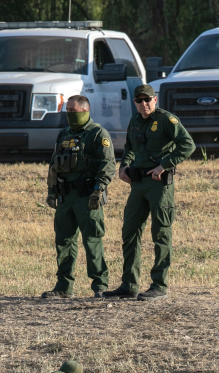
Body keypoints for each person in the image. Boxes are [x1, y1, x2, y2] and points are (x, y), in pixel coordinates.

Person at [104, 84, 195, 301]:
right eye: (139, 101)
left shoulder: (166, 120)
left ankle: (159, 284)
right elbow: (129, 148)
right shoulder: (135, 121)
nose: (144, 105)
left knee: (160, 233)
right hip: (138, 183)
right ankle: (129, 284)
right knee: (130, 232)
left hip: (159, 184)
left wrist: (165, 164)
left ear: (155, 100)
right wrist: (124, 166)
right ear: (134, 102)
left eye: (148, 100)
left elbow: (187, 145)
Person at [42, 95, 115, 298]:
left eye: (73, 112)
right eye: (68, 111)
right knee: (64, 241)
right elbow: (54, 165)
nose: (70, 116)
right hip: (66, 197)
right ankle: (63, 287)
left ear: (85, 111)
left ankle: (100, 285)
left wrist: (99, 190)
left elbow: (108, 165)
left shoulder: (97, 134)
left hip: (88, 196)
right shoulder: (63, 135)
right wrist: (51, 191)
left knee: (92, 240)